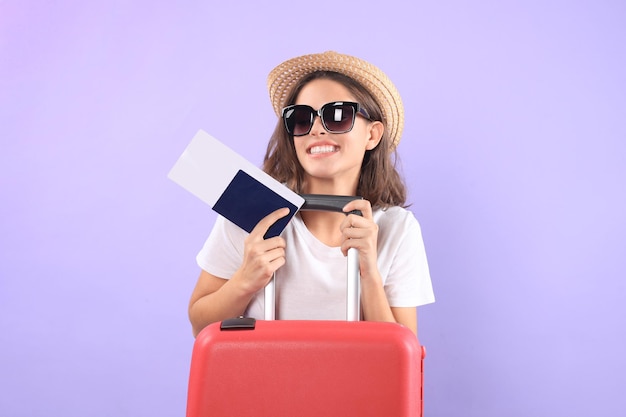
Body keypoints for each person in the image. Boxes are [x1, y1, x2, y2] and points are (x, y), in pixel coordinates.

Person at [188, 51, 434, 337]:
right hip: (263, 379)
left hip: (354, 382)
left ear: (372, 135)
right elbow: (199, 326)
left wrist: (369, 274)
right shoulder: (252, 213)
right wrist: (245, 280)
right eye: (302, 119)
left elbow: (400, 355)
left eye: (337, 115)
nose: (316, 129)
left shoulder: (397, 229)